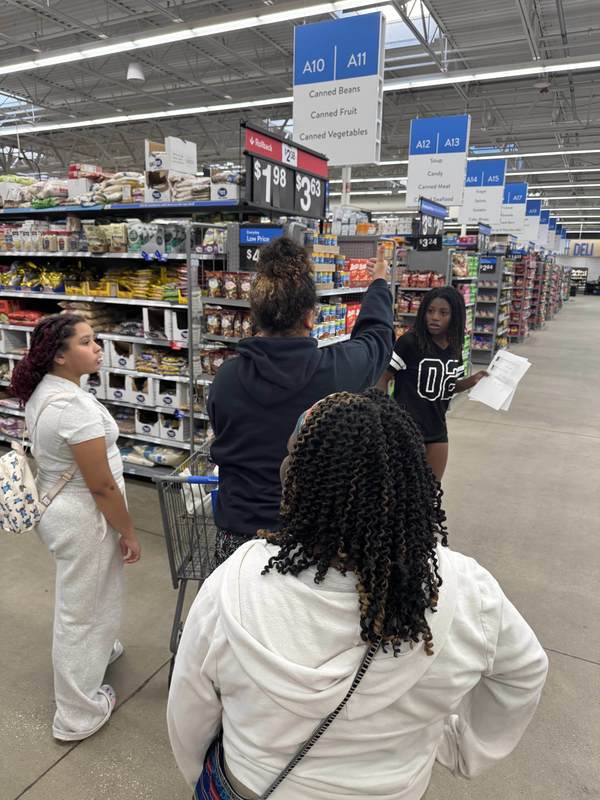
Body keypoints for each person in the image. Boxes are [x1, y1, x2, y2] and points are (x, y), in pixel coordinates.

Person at [167, 390, 548, 800]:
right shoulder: (467, 590)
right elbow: (524, 671)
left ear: (300, 481)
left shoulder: (238, 580)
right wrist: (462, 749)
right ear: (413, 483)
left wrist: (202, 781)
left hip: (251, 786)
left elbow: (188, 713)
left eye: (292, 454)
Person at [207, 236, 394, 563]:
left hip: (237, 540)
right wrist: (378, 282)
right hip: (311, 542)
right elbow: (377, 338)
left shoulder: (225, 379)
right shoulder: (339, 372)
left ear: (257, 316)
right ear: (310, 317)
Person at [10, 313, 141, 742]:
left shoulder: (46, 390)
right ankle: (77, 714)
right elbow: (101, 486)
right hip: (83, 516)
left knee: (93, 595)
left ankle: (99, 652)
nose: (97, 347)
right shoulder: (73, 409)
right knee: (79, 612)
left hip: (63, 509)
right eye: (86, 342)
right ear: (60, 355)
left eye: (95, 339)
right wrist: (128, 531)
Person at [377, 286, 487, 481]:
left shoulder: (455, 348)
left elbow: (448, 387)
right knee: (405, 491)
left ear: (455, 316)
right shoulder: (410, 342)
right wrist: (385, 415)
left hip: (438, 429)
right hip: (406, 429)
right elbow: (383, 377)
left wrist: (473, 380)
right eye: (430, 311)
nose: (435, 317)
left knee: (431, 493)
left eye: (443, 313)